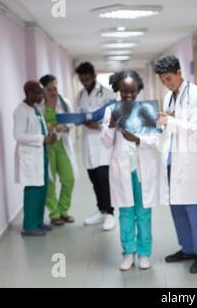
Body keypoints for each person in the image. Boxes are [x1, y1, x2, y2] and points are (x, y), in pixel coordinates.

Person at [155, 55, 197, 274]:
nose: (167, 84)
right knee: (176, 206)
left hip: (190, 160)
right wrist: (162, 122)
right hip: (171, 158)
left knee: (194, 207)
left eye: (169, 78)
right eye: (163, 80)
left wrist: (170, 121)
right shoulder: (169, 96)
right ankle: (186, 248)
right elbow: (170, 126)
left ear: (179, 73)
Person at [101, 70, 160, 271]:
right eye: (124, 92)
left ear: (138, 91)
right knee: (125, 213)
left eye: (132, 92)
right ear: (117, 90)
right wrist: (110, 125)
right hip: (122, 169)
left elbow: (156, 140)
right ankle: (128, 253)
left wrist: (138, 139)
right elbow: (106, 143)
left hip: (143, 168)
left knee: (144, 213)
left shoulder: (146, 109)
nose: (128, 96)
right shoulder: (111, 111)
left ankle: (144, 253)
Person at [75, 62, 116, 231]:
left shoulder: (108, 94)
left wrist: (98, 126)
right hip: (87, 143)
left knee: (104, 180)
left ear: (94, 76)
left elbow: (115, 117)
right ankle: (101, 210)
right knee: (93, 179)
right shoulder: (80, 95)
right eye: (81, 79)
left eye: (87, 78)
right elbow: (79, 115)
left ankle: (110, 214)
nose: (84, 82)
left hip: (102, 143)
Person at [14, 80, 57, 236]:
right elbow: (18, 135)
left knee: (42, 189)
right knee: (33, 190)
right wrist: (42, 139)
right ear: (29, 93)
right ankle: (29, 226)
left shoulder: (35, 109)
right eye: (39, 93)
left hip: (41, 154)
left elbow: (40, 129)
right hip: (31, 156)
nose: (42, 96)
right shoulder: (21, 111)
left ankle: (38, 221)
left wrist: (48, 137)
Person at [39, 74, 79, 226]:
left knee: (69, 179)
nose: (53, 92)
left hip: (62, 145)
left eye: (54, 88)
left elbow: (72, 122)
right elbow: (37, 126)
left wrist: (66, 126)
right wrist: (46, 128)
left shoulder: (64, 102)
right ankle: (54, 213)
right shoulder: (40, 106)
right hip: (48, 146)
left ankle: (64, 209)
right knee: (50, 182)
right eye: (49, 89)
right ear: (43, 90)